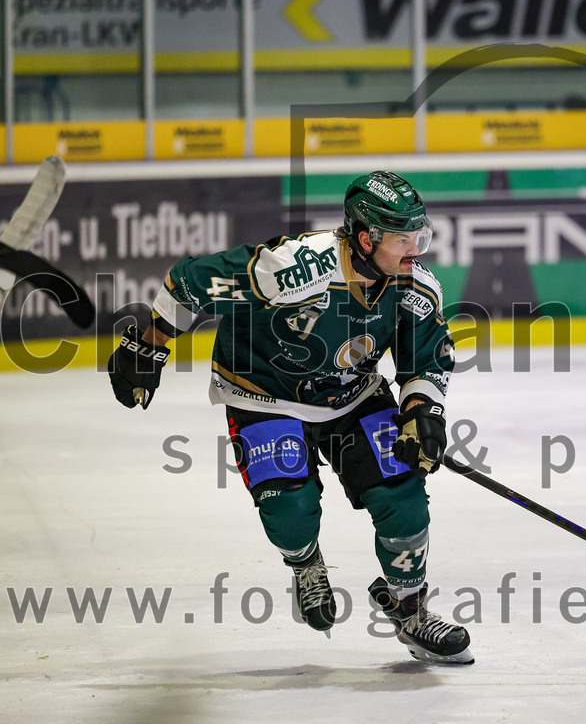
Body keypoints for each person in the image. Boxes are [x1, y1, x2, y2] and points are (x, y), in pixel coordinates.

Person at [107, 171, 473, 664]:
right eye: (402, 239)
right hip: (263, 393)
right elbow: (191, 281)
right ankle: (305, 563)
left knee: (403, 494)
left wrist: (422, 411)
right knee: (290, 508)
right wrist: (149, 344)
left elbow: (425, 360)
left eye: (419, 237)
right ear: (366, 239)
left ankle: (409, 610)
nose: (416, 250)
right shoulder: (295, 268)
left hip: (353, 394)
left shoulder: (416, 289)